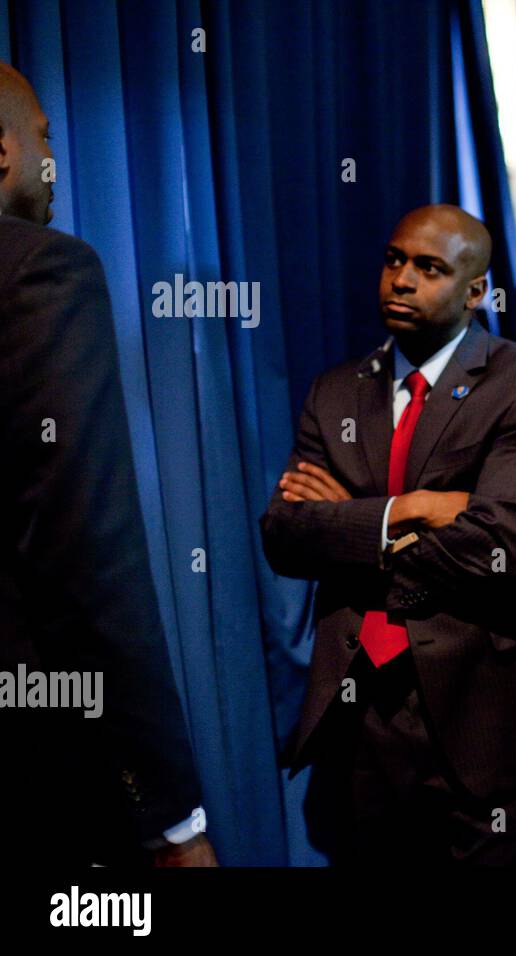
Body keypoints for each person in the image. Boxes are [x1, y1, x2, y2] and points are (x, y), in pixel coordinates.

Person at [261, 204, 516, 864]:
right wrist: (409, 509)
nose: (402, 279)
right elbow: (286, 536)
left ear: (475, 292)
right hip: (359, 725)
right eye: (394, 261)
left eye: (429, 268)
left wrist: (350, 520)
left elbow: (498, 548)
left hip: (489, 724)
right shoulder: (334, 393)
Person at [0, 61, 215, 865]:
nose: (57, 162)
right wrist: (172, 815)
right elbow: (88, 562)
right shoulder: (41, 271)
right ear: (3, 149)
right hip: (40, 790)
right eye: (46, 139)